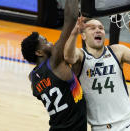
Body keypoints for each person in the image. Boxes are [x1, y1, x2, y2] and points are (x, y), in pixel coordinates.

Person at [64, 5, 130, 131]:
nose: (98, 30)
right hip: (100, 127)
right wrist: (74, 32)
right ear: (84, 35)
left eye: (101, 28)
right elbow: (68, 57)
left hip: (128, 124)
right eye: (92, 28)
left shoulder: (117, 51)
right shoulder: (81, 56)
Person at [21, 0, 87, 131]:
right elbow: (71, 19)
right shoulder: (54, 61)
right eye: (45, 42)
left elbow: (60, 84)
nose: (50, 42)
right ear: (39, 52)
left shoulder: (32, 78)